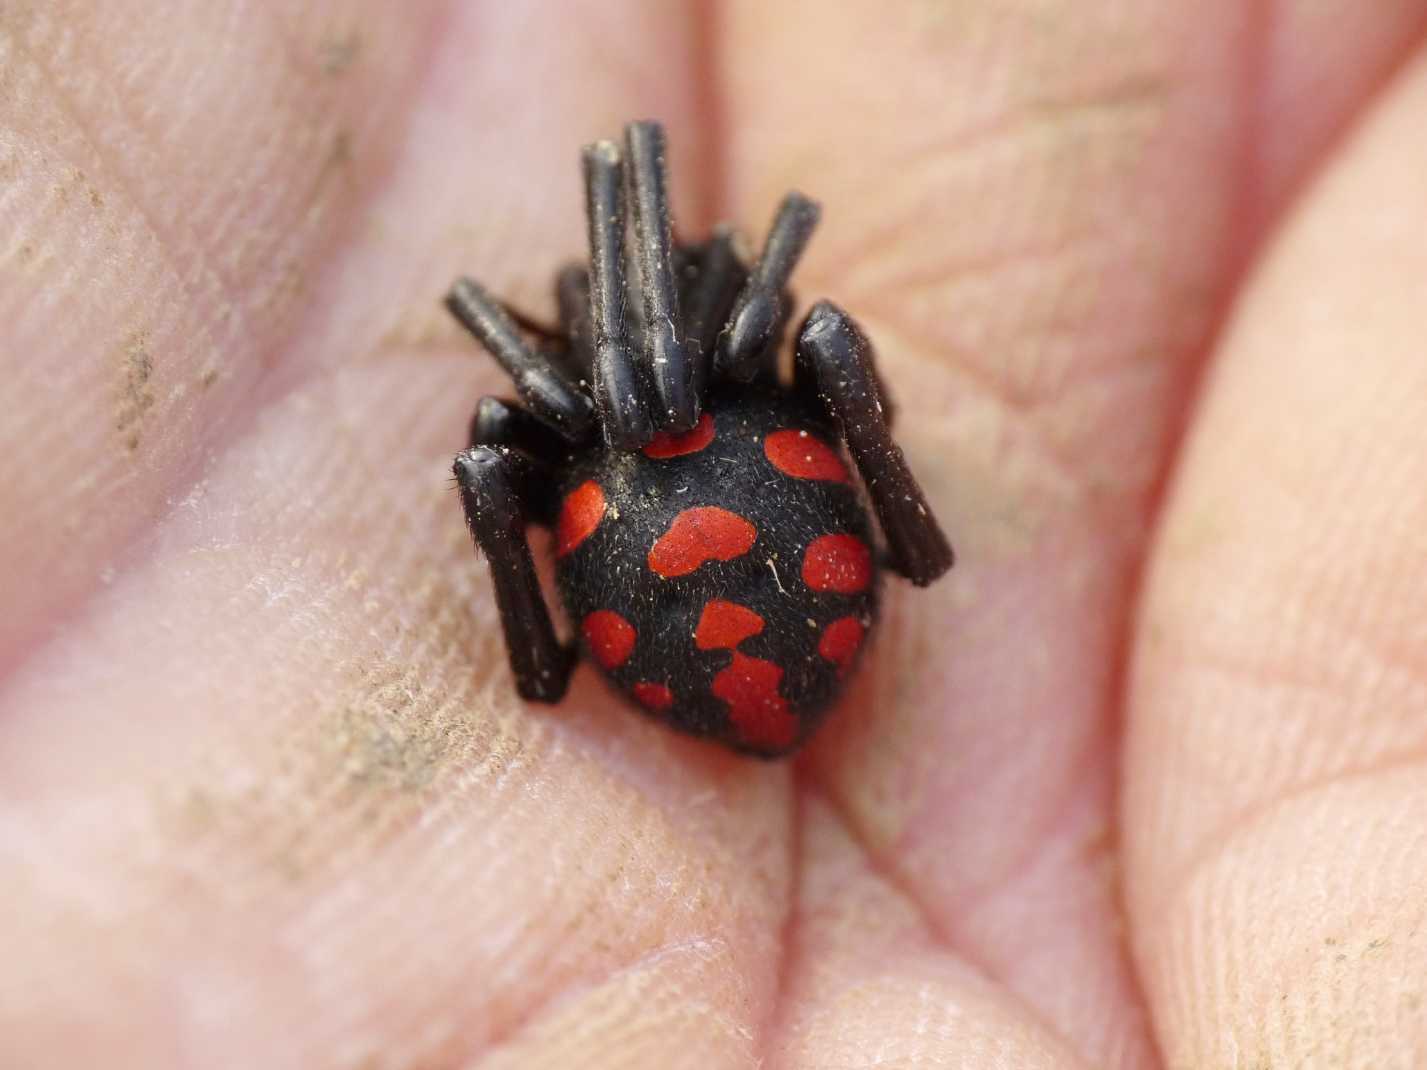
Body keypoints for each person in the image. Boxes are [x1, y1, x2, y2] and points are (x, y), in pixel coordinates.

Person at [2, 3, 1425, 1066]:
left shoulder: (589, 396)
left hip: (700, 545)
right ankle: (636, 581)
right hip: (738, 529)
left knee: (566, 440)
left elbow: (629, 378)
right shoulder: (676, 366)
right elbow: (755, 314)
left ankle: (587, 608)